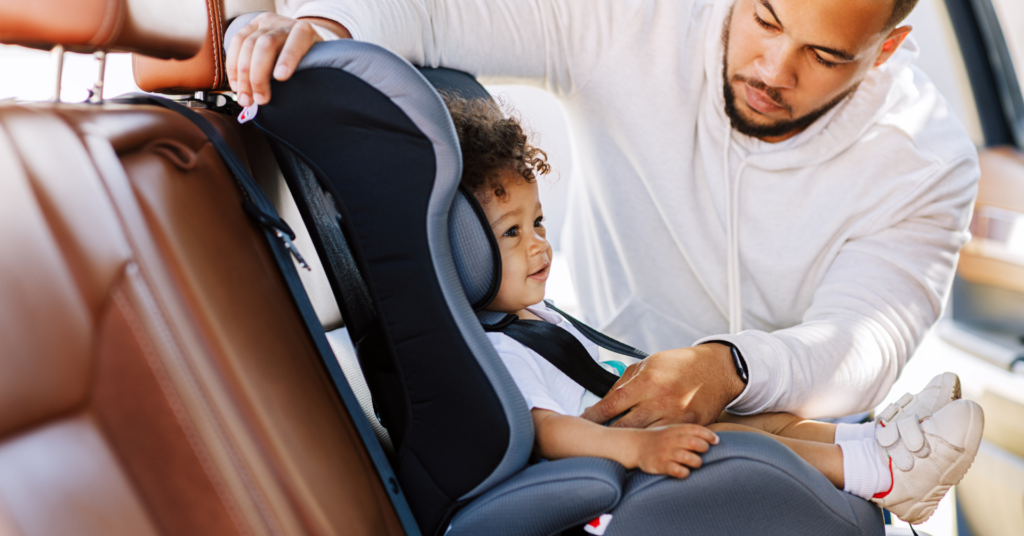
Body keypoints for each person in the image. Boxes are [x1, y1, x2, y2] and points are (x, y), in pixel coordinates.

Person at [225, 0, 979, 428]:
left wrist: (730, 366)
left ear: (887, 51)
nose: (773, 71)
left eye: (826, 56)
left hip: (779, 417)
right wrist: (326, 26)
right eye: (765, 18)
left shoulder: (926, 162)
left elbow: (862, 342)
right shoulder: (640, 18)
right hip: (599, 388)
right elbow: (434, 12)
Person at [443, 93, 982, 524]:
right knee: (738, 438)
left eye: (537, 223)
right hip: (620, 475)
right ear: (461, 252)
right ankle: (879, 473)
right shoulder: (495, 348)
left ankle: (877, 442)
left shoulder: (537, 316)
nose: (538, 244)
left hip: (640, 438)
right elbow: (548, 433)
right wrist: (636, 450)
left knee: (769, 418)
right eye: (511, 232)